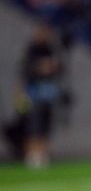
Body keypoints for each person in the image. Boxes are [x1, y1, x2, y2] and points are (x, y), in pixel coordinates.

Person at [17, 22, 65, 168]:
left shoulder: (50, 49)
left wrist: (53, 67)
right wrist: (41, 67)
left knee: (46, 122)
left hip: (48, 92)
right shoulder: (31, 50)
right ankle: (32, 154)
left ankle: (43, 153)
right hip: (34, 92)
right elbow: (25, 71)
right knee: (33, 123)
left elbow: (60, 68)